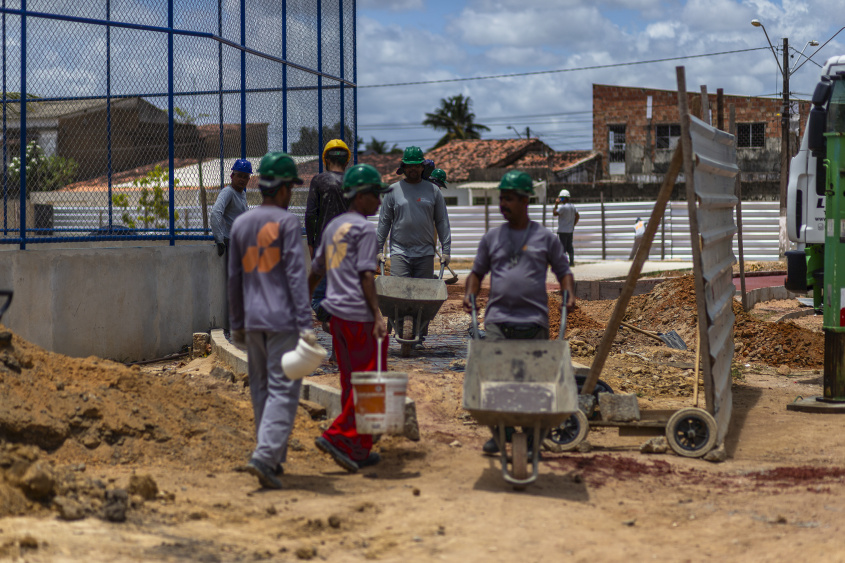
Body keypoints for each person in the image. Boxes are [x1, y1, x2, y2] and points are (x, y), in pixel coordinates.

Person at [462, 170, 575, 455]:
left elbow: (564, 271)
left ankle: (533, 434)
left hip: (535, 321)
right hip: (498, 320)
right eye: (502, 198)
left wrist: (569, 292)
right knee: (497, 380)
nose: (503, 204)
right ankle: (502, 431)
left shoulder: (545, 238)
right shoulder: (492, 238)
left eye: (509, 198)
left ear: (525, 200)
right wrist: (469, 292)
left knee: (534, 383)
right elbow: (476, 273)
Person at [228, 152, 313, 489]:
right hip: (281, 321)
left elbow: (233, 277)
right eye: (291, 187)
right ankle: (265, 456)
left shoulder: (241, 224)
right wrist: (305, 323)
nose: (291, 194)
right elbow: (295, 275)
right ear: (281, 189)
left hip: (250, 319)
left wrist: (236, 322)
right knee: (283, 389)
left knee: (261, 388)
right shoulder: (288, 223)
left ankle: (272, 458)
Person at [308, 164, 391, 473]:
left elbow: (316, 272)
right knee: (369, 381)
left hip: (337, 317)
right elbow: (367, 276)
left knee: (349, 381)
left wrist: (305, 305)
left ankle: (358, 447)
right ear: (361, 196)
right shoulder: (364, 229)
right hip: (359, 317)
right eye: (376, 196)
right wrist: (377, 315)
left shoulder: (332, 227)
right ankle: (336, 436)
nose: (379, 203)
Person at [377, 146, 451, 279]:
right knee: (398, 292)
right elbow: (384, 222)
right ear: (403, 167)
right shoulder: (392, 191)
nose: (413, 168)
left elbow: (442, 221)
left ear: (422, 167)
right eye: (409, 165)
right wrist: (378, 249)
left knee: (423, 294)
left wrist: (446, 251)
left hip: (425, 253)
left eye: (416, 165)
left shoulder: (433, 191)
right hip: (400, 252)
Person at [305, 139, 352, 325]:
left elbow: (310, 215)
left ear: (325, 160)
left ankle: (331, 320)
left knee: (318, 299)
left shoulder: (318, 181)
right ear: (347, 161)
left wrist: (311, 243)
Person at [211, 158, 252, 256]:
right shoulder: (228, 192)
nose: (242, 179)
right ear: (232, 176)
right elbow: (216, 212)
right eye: (239, 176)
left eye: (245, 177)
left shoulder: (242, 194)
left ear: (248, 179)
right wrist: (219, 240)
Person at [552, 189, 579, 266]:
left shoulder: (562, 207)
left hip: (562, 231)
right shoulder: (573, 207)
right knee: (569, 246)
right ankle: (571, 262)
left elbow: (554, 213)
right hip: (570, 230)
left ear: (565, 198)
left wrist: (556, 204)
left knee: (563, 247)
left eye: (561, 198)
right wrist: (573, 225)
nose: (560, 199)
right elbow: (577, 216)